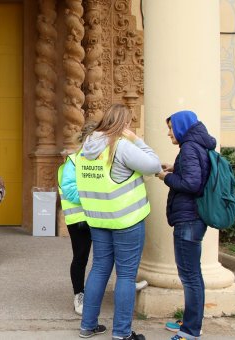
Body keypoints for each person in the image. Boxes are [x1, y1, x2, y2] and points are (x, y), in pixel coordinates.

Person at [76, 104, 162, 340]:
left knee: (99, 268)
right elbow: (154, 164)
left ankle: (88, 326)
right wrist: (136, 138)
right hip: (126, 219)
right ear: (124, 124)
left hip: (98, 217)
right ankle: (122, 333)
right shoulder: (121, 145)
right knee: (125, 275)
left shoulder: (86, 147)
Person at [156, 110, 214, 340]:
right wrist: (175, 167)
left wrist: (165, 177)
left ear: (181, 127)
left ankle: (190, 330)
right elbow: (196, 175)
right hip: (193, 217)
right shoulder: (196, 145)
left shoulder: (189, 148)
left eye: (171, 128)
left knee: (189, 275)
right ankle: (191, 320)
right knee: (192, 273)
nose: (169, 132)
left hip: (188, 219)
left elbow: (191, 183)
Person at [59, 122, 96, 315]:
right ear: (84, 140)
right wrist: (96, 194)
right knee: (81, 257)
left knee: (107, 257)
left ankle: (126, 284)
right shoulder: (73, 161)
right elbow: (70, 191)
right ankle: (79, 294)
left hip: (102, 216)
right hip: (80, 220)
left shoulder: (102, 159)